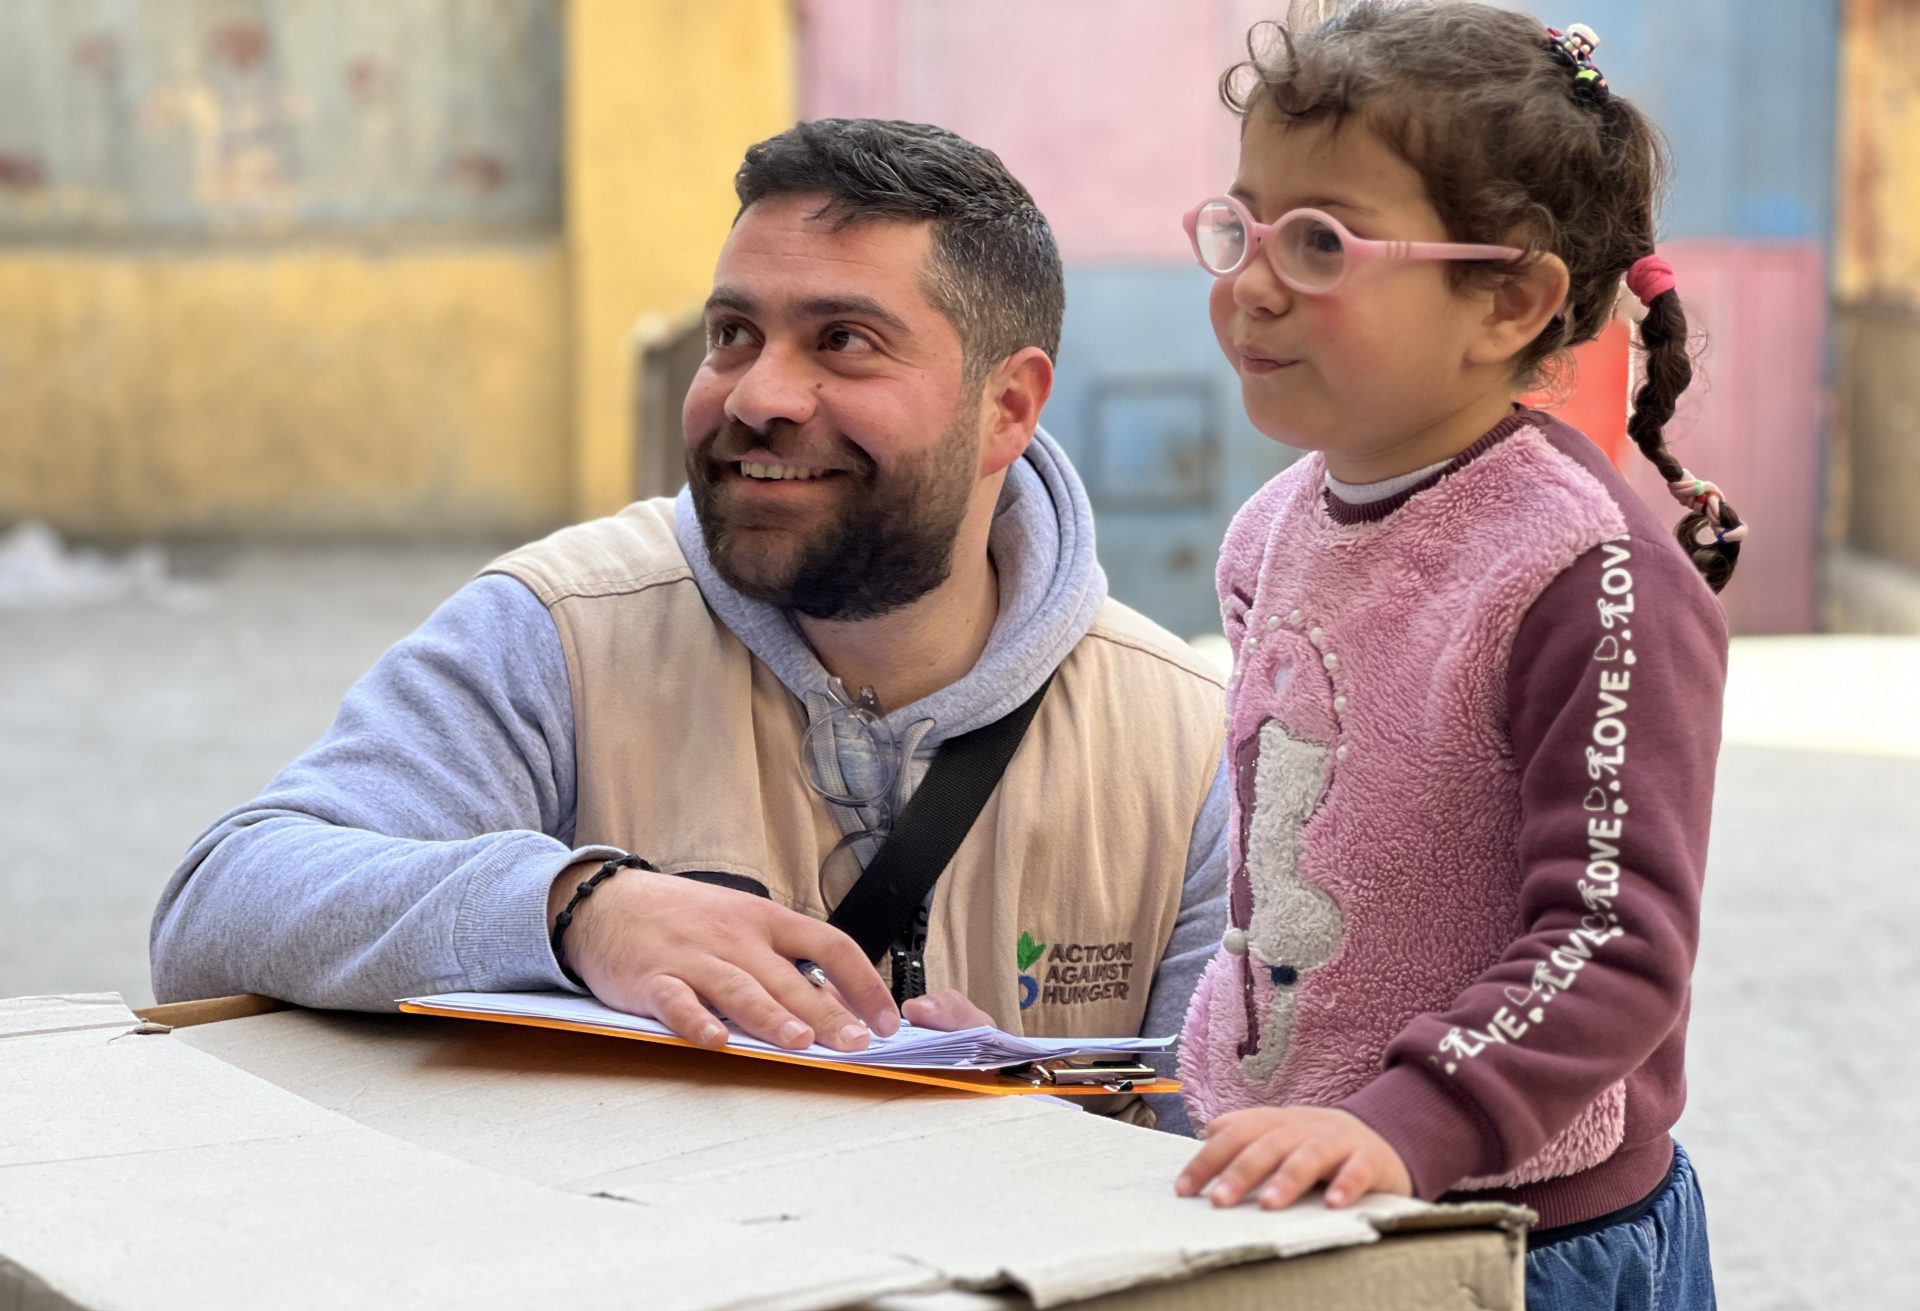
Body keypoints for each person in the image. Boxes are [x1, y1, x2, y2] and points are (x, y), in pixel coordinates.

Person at [151, 118, 1230, 1130]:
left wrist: (1024, 1138)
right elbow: (219, 910)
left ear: (1009, 406)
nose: (759, 395)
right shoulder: (561, 631)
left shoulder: (1189, 747)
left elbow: (1215, 1147)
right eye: (732, 334)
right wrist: (576, 910)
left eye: (843, 341)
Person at [1169, 6, 1733, 1311]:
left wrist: (1397, 1124)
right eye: (1241, 230)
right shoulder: (1270, 530)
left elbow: (1613, 943)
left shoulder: (1580, 571)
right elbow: (1292, 872)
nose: (1254, 287)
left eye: (1323, 245)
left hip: (1524, 1255)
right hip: (1315, 1196)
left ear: (1511, 303)